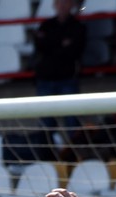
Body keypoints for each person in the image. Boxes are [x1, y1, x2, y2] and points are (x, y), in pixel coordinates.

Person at [32, 0, 86, 141]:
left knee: (71, 120)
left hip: (67, 79)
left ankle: (75, 152)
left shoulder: (77, 26)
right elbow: (40, 46)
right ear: (54, 5)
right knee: (45, 123)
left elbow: (74, 51)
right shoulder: (46, 25)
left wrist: (51, 43)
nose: (62, 6)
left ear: (72, 5)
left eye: (65, 3)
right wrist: (61, 44)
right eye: (59, 3)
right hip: (45, 80)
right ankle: (46, 152)